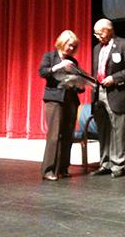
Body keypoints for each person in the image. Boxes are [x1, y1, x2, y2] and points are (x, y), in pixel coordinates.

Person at [91, 18, 125, 178]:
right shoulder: (96, 48)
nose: (98, 36)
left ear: (110, 30)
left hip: (117, 94)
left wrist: (115, 78)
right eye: (95, 34)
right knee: (103, 131)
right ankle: (105, 164)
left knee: (118, 130)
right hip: (99, 94)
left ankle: (117, 164)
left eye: (100, 32)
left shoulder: (124, 44)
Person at [39, 30, 83, 181]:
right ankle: (48, 170)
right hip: (55, 100)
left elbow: (74, 80)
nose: (71, 48)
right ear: (62, 42)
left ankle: (63, 168)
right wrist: (58, 66)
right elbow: (43, 72)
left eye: (73, 46)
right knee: (54, 135)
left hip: (70, 100)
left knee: (67, 136)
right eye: (69, 45)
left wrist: (81, 85)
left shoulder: (73, 61)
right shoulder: (50, 57)